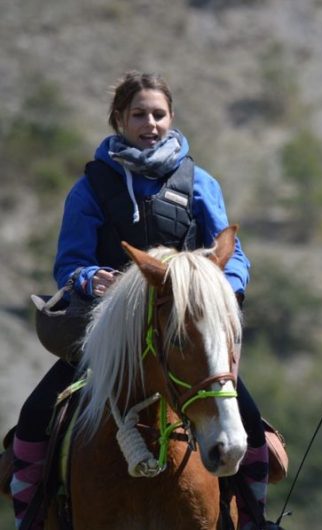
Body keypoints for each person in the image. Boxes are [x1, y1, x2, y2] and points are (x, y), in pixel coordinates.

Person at [11, 71, 268, 530]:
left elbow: (232, 253)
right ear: (119, 120)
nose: (150, 123)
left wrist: (220, 289)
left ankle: (252, 517)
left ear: (171, 117)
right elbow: (70, 265)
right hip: (113, 333)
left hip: (182, 328)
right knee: (34, 417)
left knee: (247, 417)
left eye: (158, 114)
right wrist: (94, 279)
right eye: (138, 115)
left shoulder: (201, 183)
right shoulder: (90, 187)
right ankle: (30, 517)